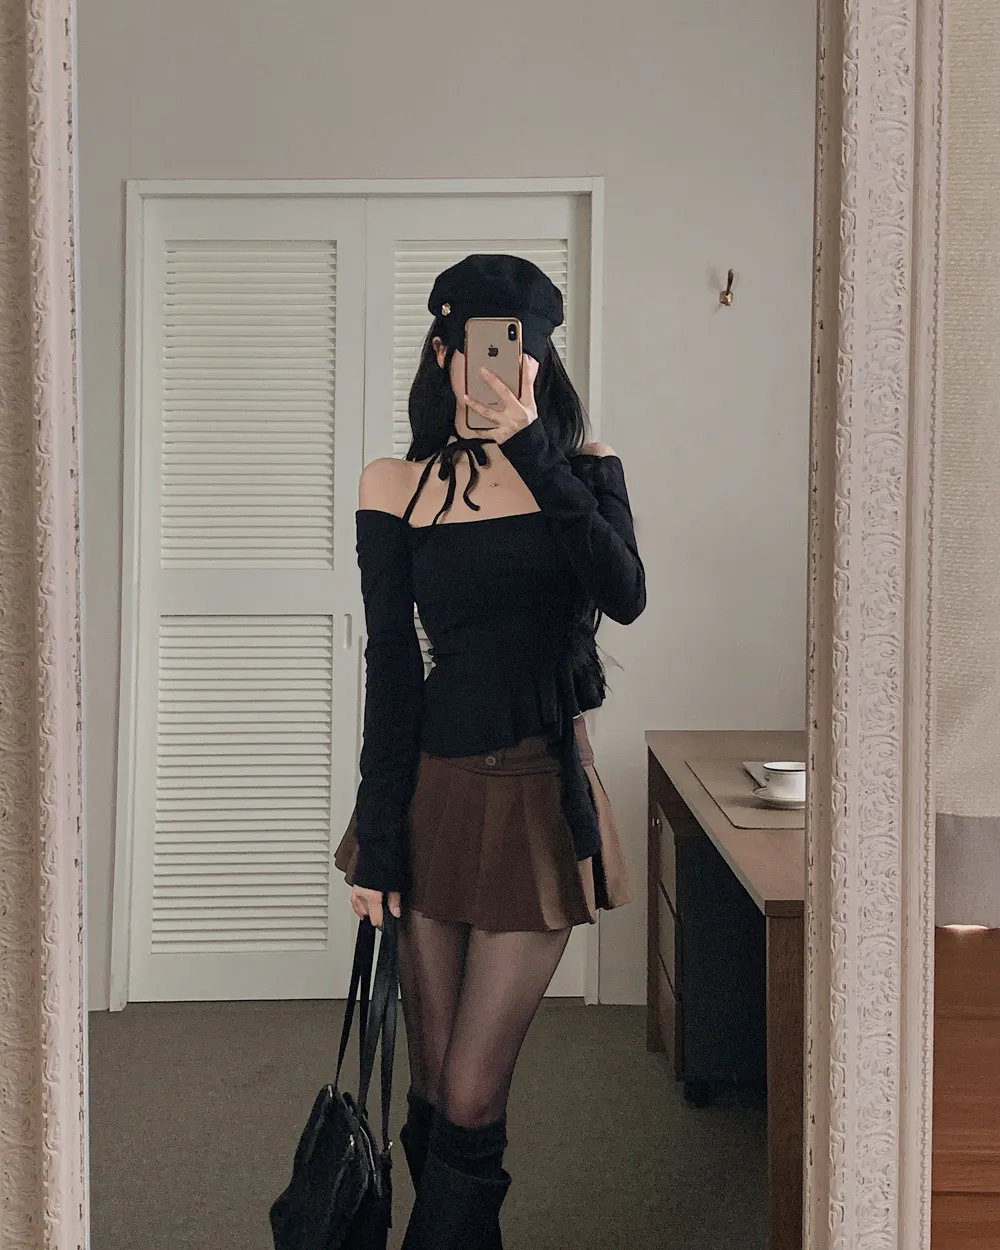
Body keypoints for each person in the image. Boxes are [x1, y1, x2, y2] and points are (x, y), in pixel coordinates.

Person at [334, 254, 646, 1249]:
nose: (497, 367)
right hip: (431, 792)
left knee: (473, 1091)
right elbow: (392, 670)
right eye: (476, 346)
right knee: (431, 1085)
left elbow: (625, 592)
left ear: (541, 363)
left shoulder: (581, 469)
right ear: (444, 353)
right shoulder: (395, 485)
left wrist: (531, 450)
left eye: (520, 350)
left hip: (539, 796)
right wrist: (377, 841)